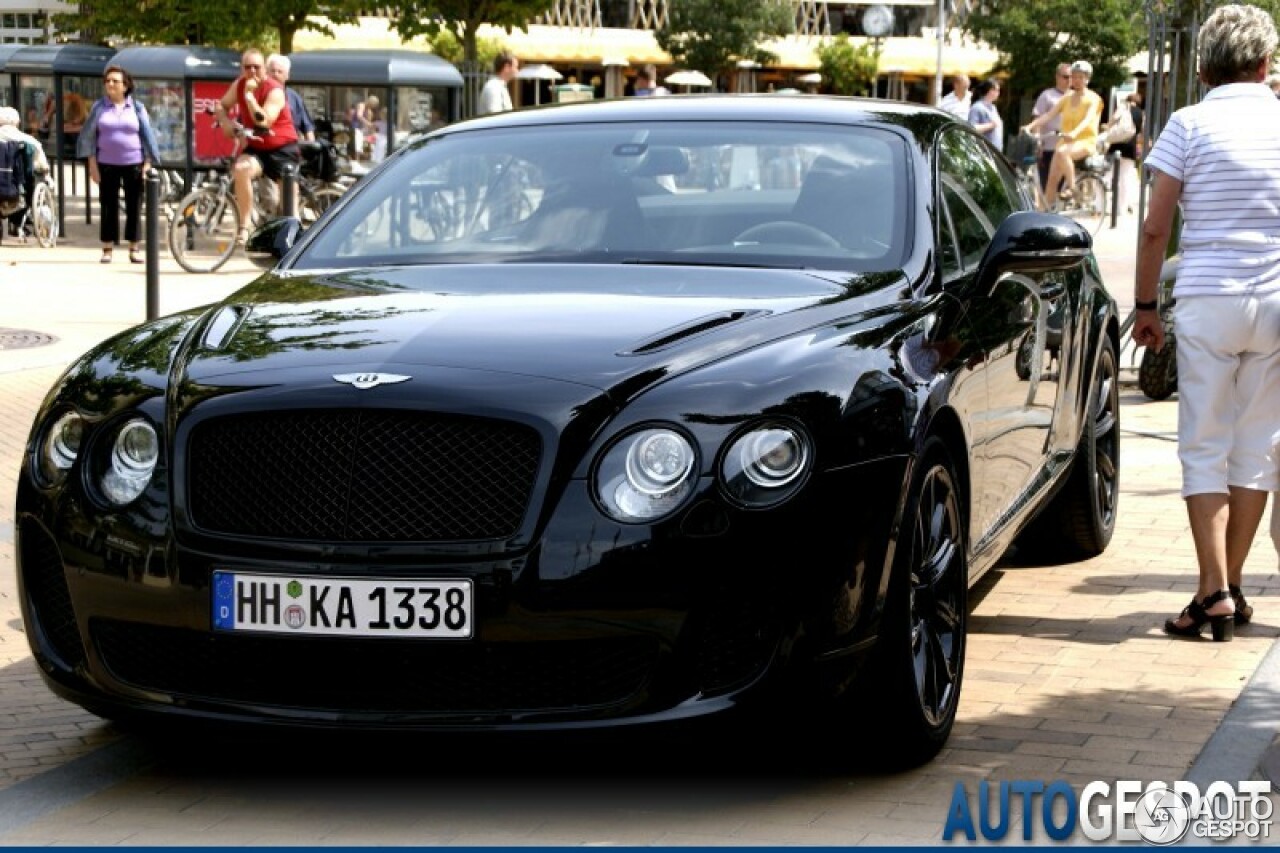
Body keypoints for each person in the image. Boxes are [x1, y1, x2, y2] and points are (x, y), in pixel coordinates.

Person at [1132, 3, 1280, 642]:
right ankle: (1228, 586)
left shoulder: (1187, 125)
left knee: (1202, 442)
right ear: (1266, 63)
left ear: (1202, 69)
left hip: (1208, 299)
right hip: (1276, 301)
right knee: (1255, 446)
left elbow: (1156, 225)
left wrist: (1143, 306)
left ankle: (1212, 589)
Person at [76, 65, 162, 264]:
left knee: (134, 205)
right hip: (106, 163)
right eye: (107, 81)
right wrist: (92, 165)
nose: (110, 84)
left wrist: (148, 162)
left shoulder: (137, 108)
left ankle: (134, 247)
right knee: (108, 205)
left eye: (115, 81)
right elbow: (88, 137)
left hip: (134, 163)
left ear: (125, 86)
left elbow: (147, 135)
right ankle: (107, 248)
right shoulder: (99, 107)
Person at [214, 48, 300, 246]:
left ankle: (295, 242)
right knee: (241, 169)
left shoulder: (275, 90)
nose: (252, 71)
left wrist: (250, 98)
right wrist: (226, 122)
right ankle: (244, 226)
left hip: (282, 148)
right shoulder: (239, 85)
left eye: (257, 67)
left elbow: (264, 121)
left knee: (289, 205)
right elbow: (222, 105)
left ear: (264, 69)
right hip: (257, 147)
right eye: (247, 67)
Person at [1020, 60, 1102, 208]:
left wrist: (1074, 132)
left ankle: (1072, 189)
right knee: (1050, 185)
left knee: (1062, 152)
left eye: (1080, 77)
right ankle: (1043, 218)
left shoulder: (1093, 99)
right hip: (1064, 143)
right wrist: (1030, 126)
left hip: (1085, 141)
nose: (1076, 80)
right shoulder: (1067, 98)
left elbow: (1088, 119)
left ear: (1087, 79)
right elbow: (1048, 115)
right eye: (1074, 76)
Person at [0, 106, 49, 239]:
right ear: (17, 122)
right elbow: (42, 166)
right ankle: (19, 224)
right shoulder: (29, 141)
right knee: (33, 183)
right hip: (20, 189)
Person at [1031, 63, 1071, 191]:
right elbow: (1038, 118)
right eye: (1065, 77)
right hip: (1048, 147)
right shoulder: (1047, 95)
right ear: (1057, 77)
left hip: (1067, 148)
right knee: (1047, 185)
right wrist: (1038, 141)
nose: (1069, 80)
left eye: (1071, 77)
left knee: (1063, 188)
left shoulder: (1074, 97)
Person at [1106, 91, 1144, 213]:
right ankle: (1121, 208)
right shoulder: (1141, 114)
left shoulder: (1123, 108)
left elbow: (1112, 122)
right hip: (1130, 148)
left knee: (1109, 176)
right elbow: (1141, 132)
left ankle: (1102, 206)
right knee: (1125, 178)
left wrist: (1107, 128)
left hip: (1116, 145)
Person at [266, 54, 315, 142]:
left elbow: (308, 129)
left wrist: (311, 150)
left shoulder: (294, 98)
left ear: (287, 75)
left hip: (289, 149)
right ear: (267, 73)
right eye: (272, 71)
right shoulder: (257, 94)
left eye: (279, 71)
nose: (275, 74)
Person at [967, 78, 1002, 150]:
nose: (998, 93)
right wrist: (990, 125)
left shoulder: (993, 108)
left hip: (995, 152)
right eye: (996, 90)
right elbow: (971, 128)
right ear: (989, 91)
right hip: (983, 152)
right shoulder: (977, 107)